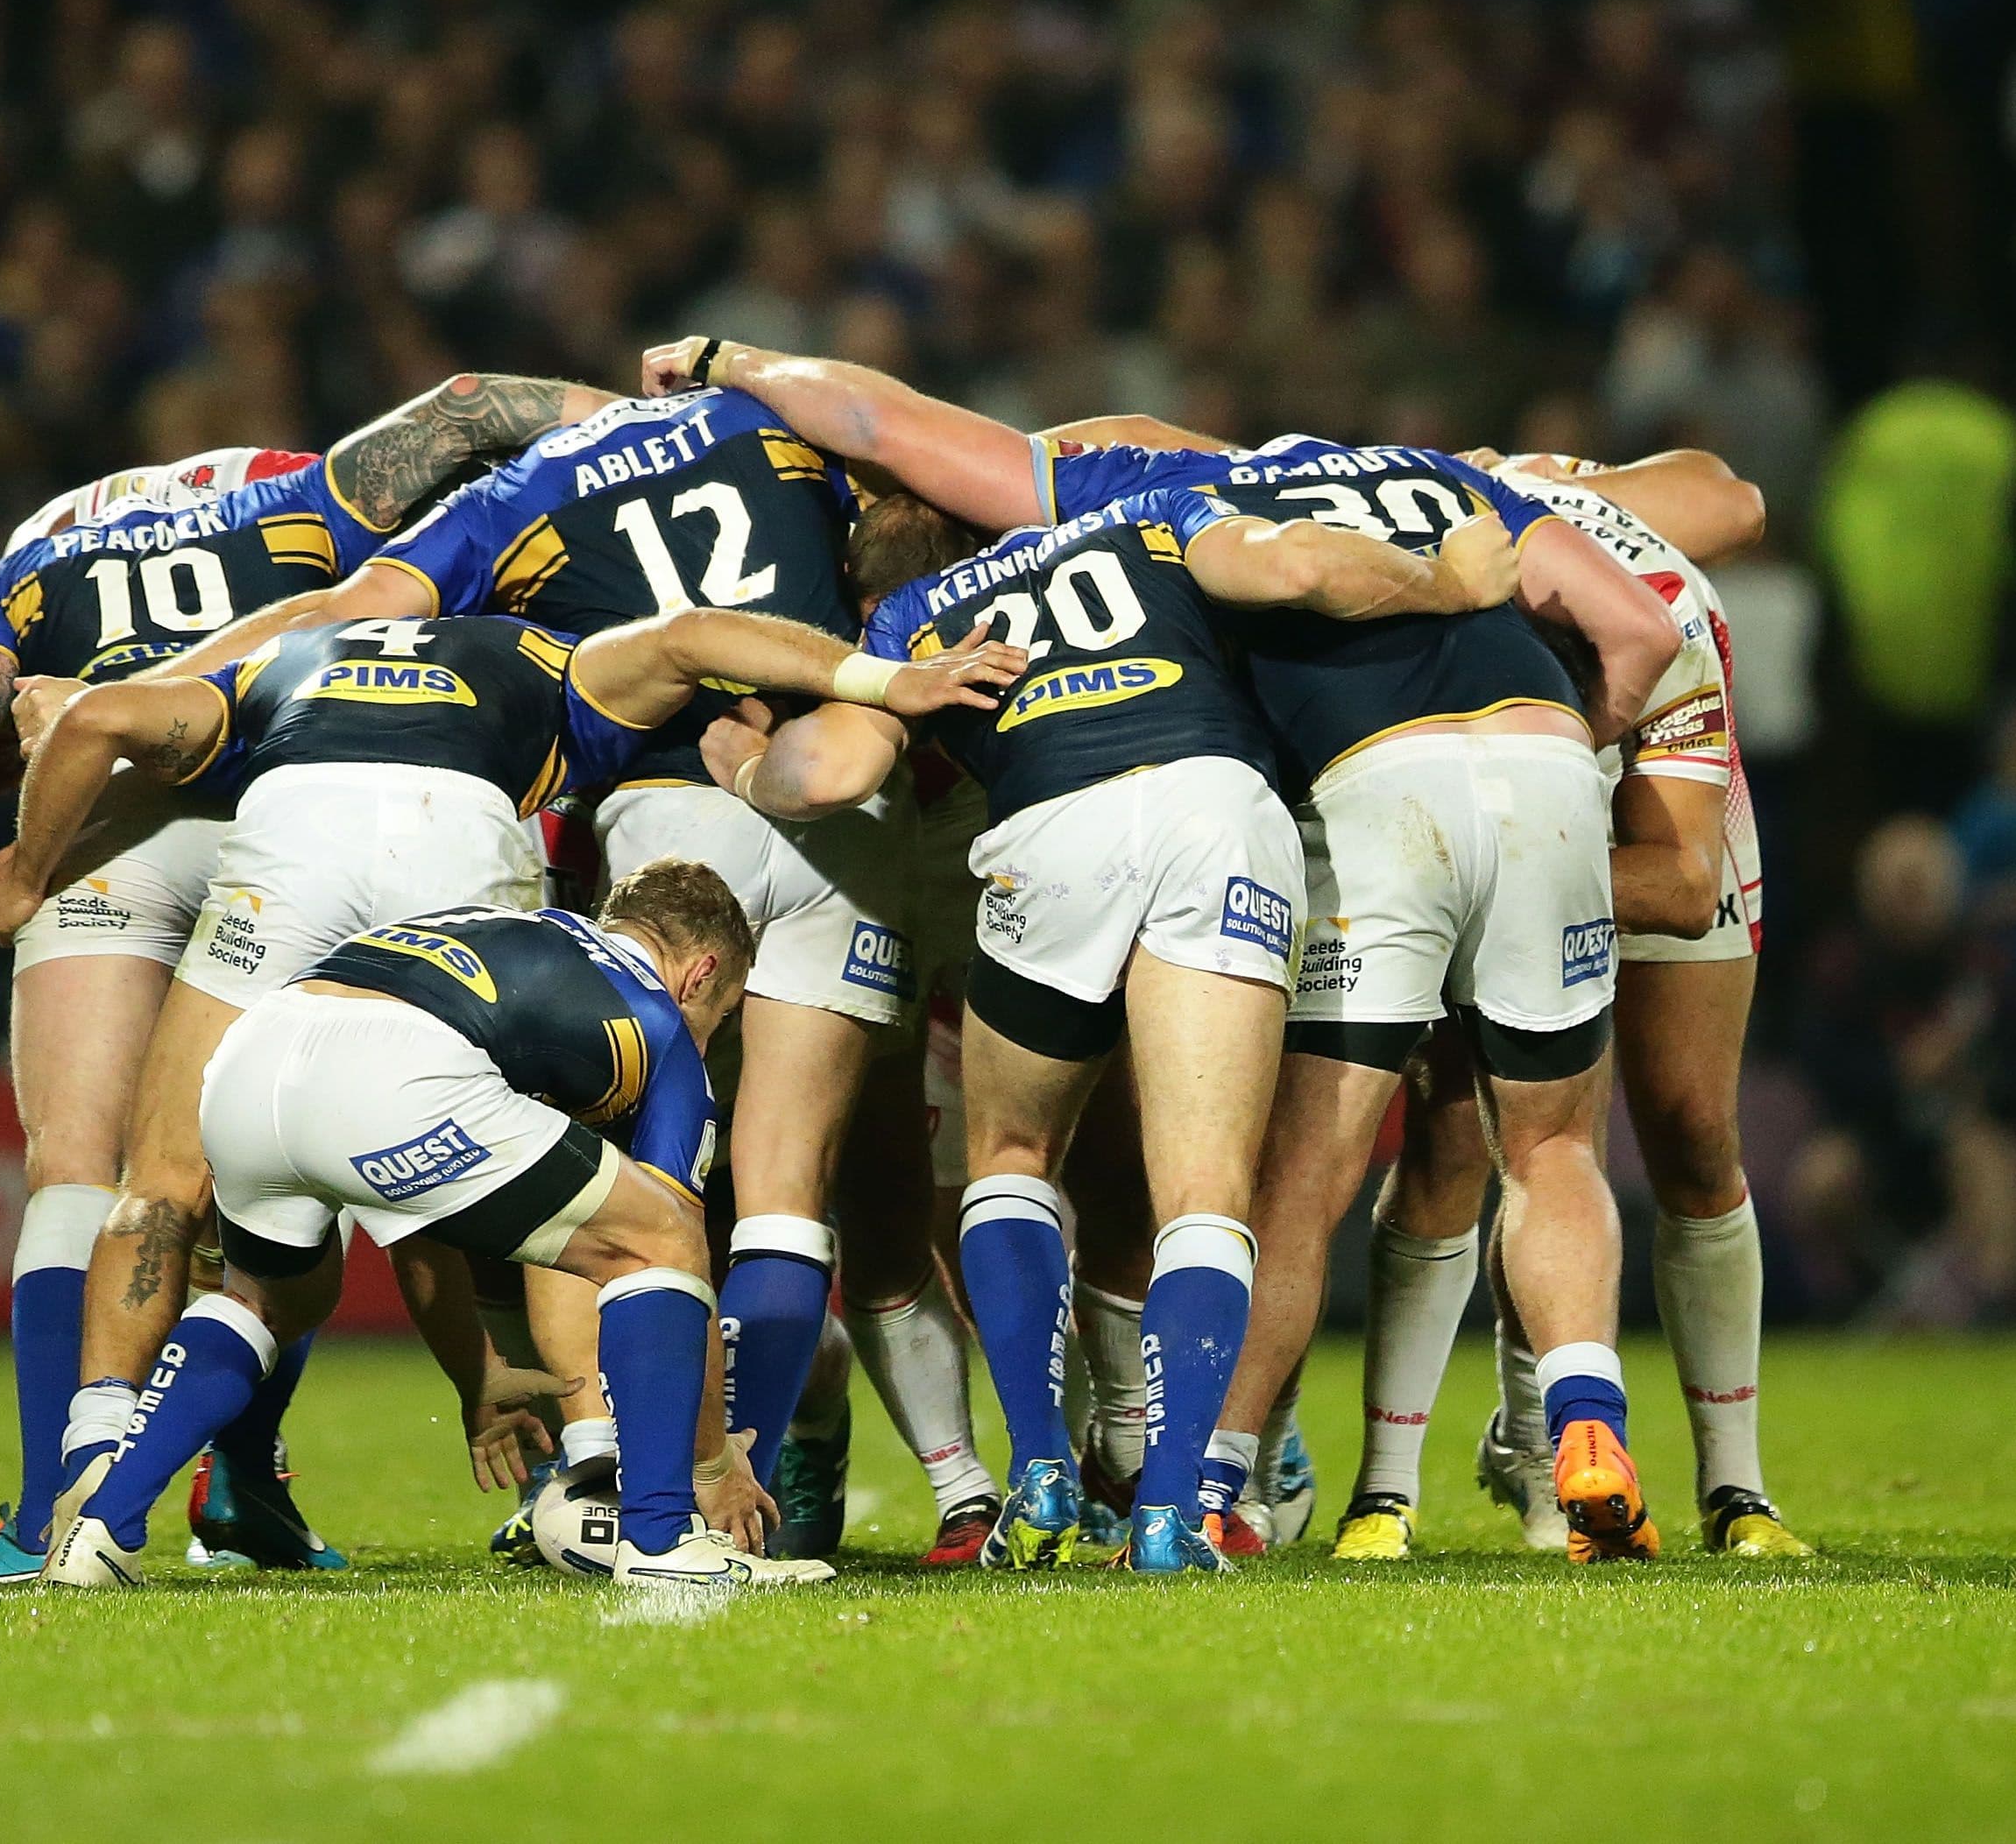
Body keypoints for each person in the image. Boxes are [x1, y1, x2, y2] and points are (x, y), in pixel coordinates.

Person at [641, 336, 1683, 1563]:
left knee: (1057, 1154)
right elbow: (1582, 614)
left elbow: (840, 752)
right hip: (1309, 793)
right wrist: (1469, 613)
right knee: (1384, 1165)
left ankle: (1064, 1470)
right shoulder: (1238, 511)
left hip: (1118, 817)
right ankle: (1237, 1487)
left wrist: (751, 758)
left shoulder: (976, 585)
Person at [0, 600, 1020, 1548]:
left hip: (289, 843)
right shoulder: (539, 653)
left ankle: (94, 1459)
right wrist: (883, 682)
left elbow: (98, 720)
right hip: (451, 838)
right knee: (577, 1195)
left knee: (162, 1186)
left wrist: (26, 875)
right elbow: (695, 636)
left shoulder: (281, 656)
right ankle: (595, 1470)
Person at [710, 483, 1519, 1571]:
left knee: (1009, 1156)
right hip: (1215, 806)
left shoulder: (911, 622)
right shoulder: (1156, 518)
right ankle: (1174, 1508)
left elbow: (839, 770)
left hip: (1054, 825)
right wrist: (1448, 580)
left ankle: (1039, 1472)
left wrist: (748, 765)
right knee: (1206, 1193)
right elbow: (1297, 568)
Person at [145, 382, 923, 1513]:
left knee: (589, 1177)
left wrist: (126, 690)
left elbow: (353, 594)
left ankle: (622, 1462)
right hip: (843, 786)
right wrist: (890, 677)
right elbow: (896, 504)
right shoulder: (770, 411)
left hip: (651, 823)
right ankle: (829, 1459)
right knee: (777, 1196)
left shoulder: (513, 512)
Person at [0, 375, 606, 1581]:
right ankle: (291, 1473)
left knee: (85, 1170)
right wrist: (645, 428)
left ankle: (42, 1511)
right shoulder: (308, 498)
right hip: (272, 803)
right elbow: (477, 407)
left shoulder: (36, 552)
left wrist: (26, 792)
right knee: (301, 1152)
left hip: (102, 821)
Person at [43, 868, 837, 1590]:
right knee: (657, 1244)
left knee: (265, 1300)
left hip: (256, 1054)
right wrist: (711, 1460)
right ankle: (665, 1542)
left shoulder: (503, 926)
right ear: (701, 973)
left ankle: (99, 1532)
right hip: (391, 1071)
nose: (710, 1034)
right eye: (721, 1013)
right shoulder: (658, 1023)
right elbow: (673, 1243)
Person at [1345, 456, 1811, 1559]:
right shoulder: (1422, 613)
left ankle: (1737, 1493)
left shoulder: (1665, 624)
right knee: (1458, 1128)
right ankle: (1388, 1491)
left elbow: (1686, 882)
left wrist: (1504, 877)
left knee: (1690, 1127)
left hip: (1659, 821)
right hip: (1472, 785)